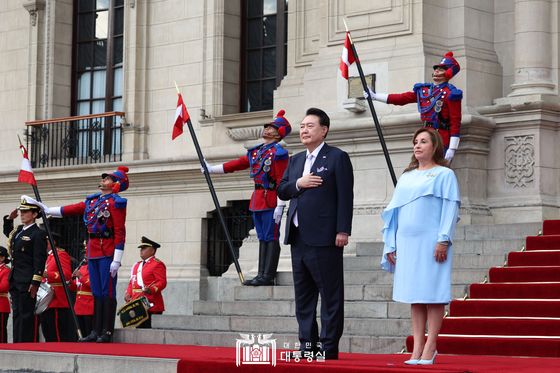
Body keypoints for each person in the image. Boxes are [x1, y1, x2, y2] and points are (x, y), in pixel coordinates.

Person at [277, 107, 354, 360]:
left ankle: (328, 347)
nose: (304, 130)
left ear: (324, 130)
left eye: (310, 126)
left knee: (330, 296)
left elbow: (345, 196)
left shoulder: (336, 157)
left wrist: (343, 229)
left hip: (325, 237)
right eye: (302, 126)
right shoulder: (296, 159)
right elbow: (282, 190)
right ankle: (307, 346)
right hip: (298, 237)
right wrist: (299, 183)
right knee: (304, 298)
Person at [381, 128, 460, 365]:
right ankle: (416, 347)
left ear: (434, 146)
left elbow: (451, 208)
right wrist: (391, 243)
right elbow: (394, 212)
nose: (417, 146)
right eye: (415, 142)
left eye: (423, 141)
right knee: (415, 296)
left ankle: (431, 345)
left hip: (431, 242)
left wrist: (443, 239)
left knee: (432, 294)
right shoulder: (406, 176)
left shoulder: (444, 175)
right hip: (407, 242)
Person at [24, 165, 129, 343]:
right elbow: (70, 209)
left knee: (106, 292)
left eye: (108, 178)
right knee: (96, 291)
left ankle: (106, 331)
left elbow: (120, 231)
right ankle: (96, 330)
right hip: (93, 251)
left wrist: (117, 259)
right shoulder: (93, 201)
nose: (103, 180)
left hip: (107, 250)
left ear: (116, 184)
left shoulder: (116, 203)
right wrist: (47, 209)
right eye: (104, 178)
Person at [204, 110, 291, 286]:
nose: (267, 129)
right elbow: (237, 164)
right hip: (258, 198)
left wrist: (281, 205)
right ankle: (261, 274)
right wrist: (212, 169)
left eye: (272, 127)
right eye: (267, 126)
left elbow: (282, 180)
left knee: (270, 237)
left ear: (279, 133)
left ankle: (268, 275)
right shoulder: (256, 152)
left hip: (272, 198)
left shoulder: (279, 153)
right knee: (262, 237)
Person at [364, 51, 463, 162]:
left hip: (440, 138)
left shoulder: (451, 94)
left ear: (448, 72)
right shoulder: (424, 90)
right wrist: (375, 96)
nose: (436, 71)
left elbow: (455, 122)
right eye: (436, 68)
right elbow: (402, 98)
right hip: (425, 136)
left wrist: (452, 148)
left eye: (441, 69)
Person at [3, 200, 47, 342]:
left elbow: (39, 259)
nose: (22, 214)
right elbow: (8, 233)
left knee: (26, 314)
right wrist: (10, 219)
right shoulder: (19, 230)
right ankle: (17, 343)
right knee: (17, 313)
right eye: (21, 211)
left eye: (26, 212)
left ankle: (25, 343)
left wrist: (35, 282)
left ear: (34, 214)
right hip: (15, 279)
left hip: (27, 280)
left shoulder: (37, 233)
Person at [124, 236, 167, 328]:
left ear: (152, 250)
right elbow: (132, 281)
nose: (141, 250)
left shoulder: (157, 264)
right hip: (136, 302)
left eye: (144, 248)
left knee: (147, 331)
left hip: (150, 302)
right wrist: (128, 292)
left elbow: (162, 282)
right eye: (141, 248)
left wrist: (151, 289)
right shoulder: (137, 265)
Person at [40, 232, 74, 342]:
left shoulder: (60, 254)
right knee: (48, 331)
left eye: (45, 241)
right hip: (47, 298)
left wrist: (48, 275)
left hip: (57, 298)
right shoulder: (48, 256)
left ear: (52, 242)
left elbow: (66, 274)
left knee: (56, 333)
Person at [71, 242, 94, 338]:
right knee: (80, 332)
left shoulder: (93, 269)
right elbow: (76, 286)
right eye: (85, 253)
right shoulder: (82, 267)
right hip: (79, 305)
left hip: (88, 304)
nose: (85, 256)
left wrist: (80, 276)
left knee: (88, 331)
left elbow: (92, 285)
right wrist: (70, 282)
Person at [0, 246, 11, 343]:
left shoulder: (6, 270)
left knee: (1, 332)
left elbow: (3, 287)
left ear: (2, 258)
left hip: (1, 305)